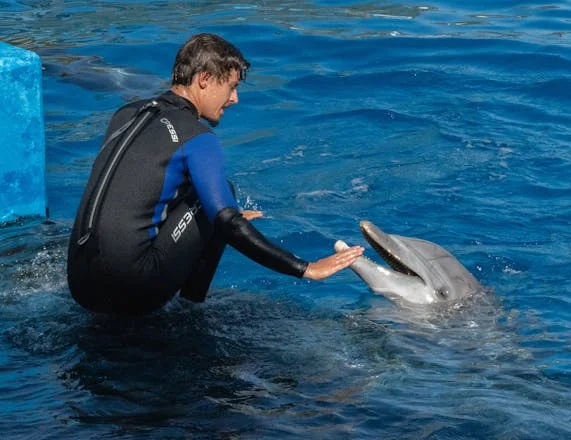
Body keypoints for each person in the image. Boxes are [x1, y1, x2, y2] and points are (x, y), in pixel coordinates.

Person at [67, 33, 364, 314]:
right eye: (231, 87)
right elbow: (227, 222)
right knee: (224, 197)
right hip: (134, 288)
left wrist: (206, 220)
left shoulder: (126, 114)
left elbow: (137, 188)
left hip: (80, 282)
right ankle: (191, 309)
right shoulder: (197, 137)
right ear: (205, 80)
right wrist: (306, 268)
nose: (234, 99)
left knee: (209, 203)